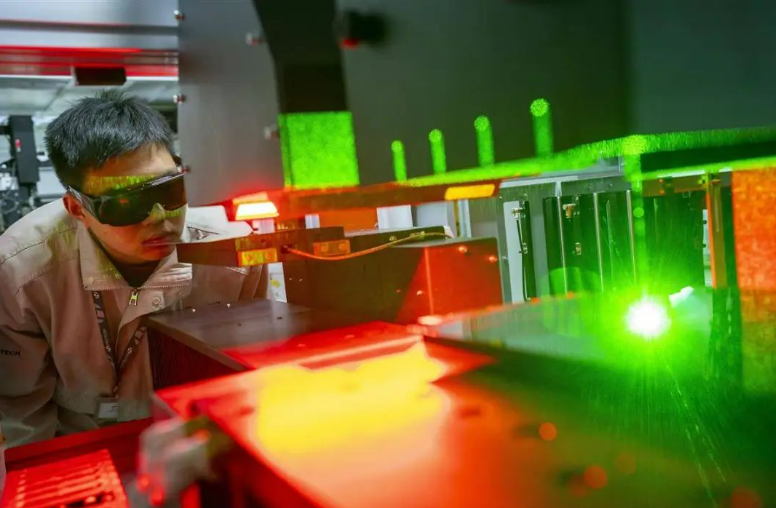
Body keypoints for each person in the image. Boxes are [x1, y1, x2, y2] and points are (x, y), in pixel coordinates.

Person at [0, 91, 266, 448]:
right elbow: (21, 412)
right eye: (126, 203)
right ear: (78, 209)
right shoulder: (23, 270)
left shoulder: (234, 254)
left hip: (199, 437)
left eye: (170, 191)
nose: (158, 218)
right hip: (79, 442)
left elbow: (250, 376)